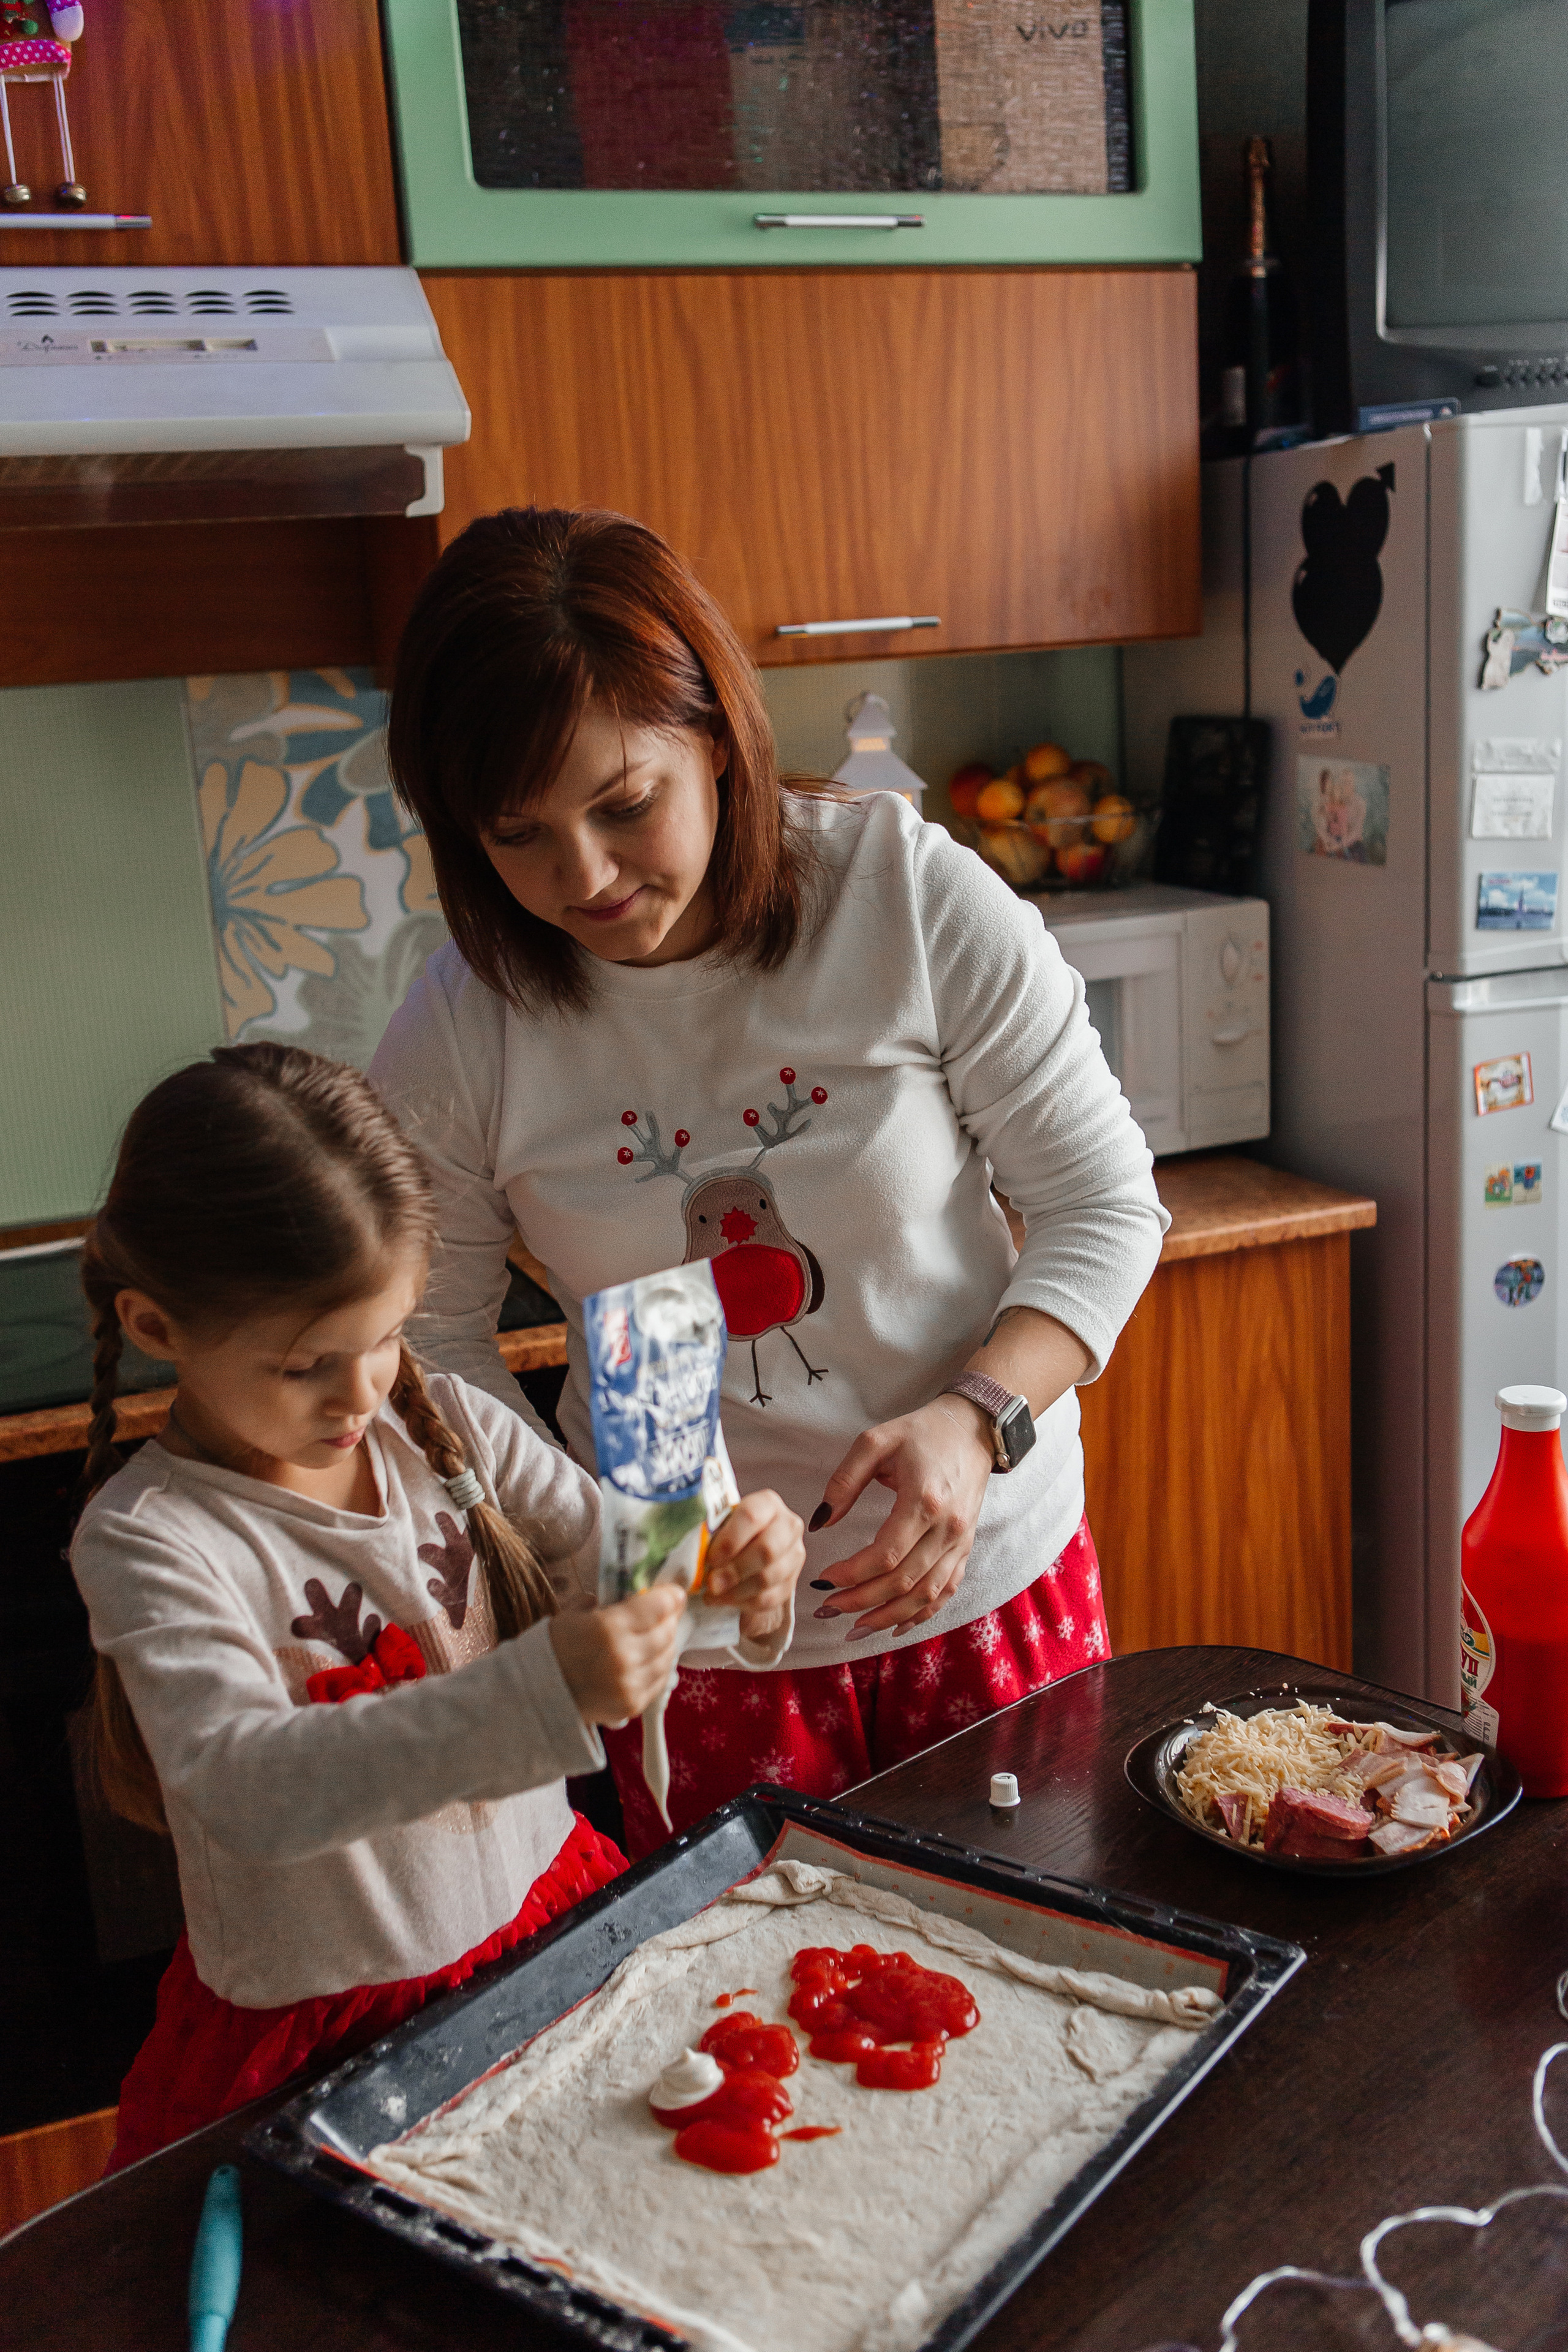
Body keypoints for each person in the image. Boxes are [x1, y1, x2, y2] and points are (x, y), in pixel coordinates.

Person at [371, 506, 1167, 1860]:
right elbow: (428, 1335)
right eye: (517, 836)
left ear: (718, 740)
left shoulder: (902, 895)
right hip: (693, 1650)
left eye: (625, 804)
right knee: (740, 2031)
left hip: (979, 1584)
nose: (585, 878)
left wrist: (975, 1421)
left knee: (1041, 1970)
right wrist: (586, 1546)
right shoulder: (463, 1025)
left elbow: (1102, 1203)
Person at [71, 1043, 802, 2165]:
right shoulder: (151, 1538)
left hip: (546, 1929)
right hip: (325, 2025)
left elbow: (629, 1573)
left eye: (386, 1338)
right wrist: (548, 1682)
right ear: (157, 1328)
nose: (363, 1394)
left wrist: (727, 1574)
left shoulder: (444, 1419)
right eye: (308, 1363)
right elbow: (248, 1784)